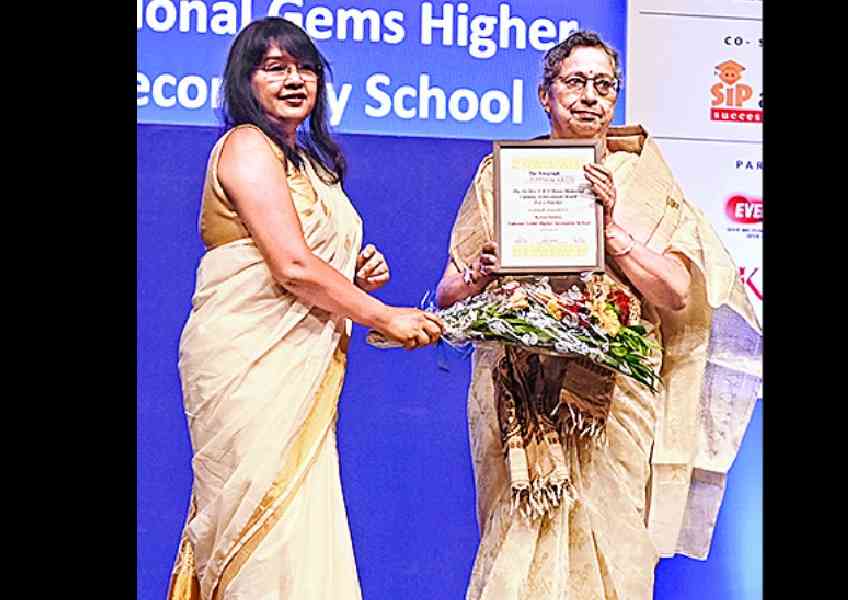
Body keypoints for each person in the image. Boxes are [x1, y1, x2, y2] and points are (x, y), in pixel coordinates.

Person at [435, 31, 762, 599]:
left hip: (614, 398)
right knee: (519, 538)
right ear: (545, 95)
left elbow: (676, 291)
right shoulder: (502, 176)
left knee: (612, 543)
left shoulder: (645, 179)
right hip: (522, 395)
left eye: (604, 85)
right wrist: (480, 272)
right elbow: (448, 294)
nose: (589, 96)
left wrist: (612, 234)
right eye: (575, 82)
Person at [166, 17, 444, 600]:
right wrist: (382, 314)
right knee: (260, 523)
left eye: (305, 69)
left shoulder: (311, 165)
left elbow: (307, 259)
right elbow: (291, 265)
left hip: (300, 367)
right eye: (275, 68)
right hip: (248, 362)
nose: (294, 80)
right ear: (246, 81)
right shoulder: (246, 146)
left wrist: (351, 273)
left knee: (300, 520)